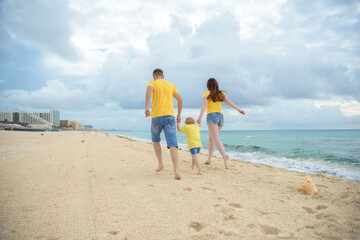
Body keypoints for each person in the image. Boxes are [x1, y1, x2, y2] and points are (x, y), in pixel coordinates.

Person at [197, 78, 245, 169]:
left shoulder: (207, 93)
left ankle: (224, 155)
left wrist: (200, 117)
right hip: (220, 117)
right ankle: (209, 159)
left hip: (212, 116)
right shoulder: (221, 94)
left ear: (208, 85)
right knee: (211, 138)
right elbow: (229, 102)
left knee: (215, 139)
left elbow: (205, 105)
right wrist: (239, 110)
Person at [145, 68, 183, 180]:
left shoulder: (152, 83)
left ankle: (160, 163)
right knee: (172, 143)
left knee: (156, 140)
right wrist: (179, 115)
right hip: (170, 116)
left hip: (156, 117)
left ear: (154, 76)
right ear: (163, 76)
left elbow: (149, 89)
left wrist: (147, 107)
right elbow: (180, 100)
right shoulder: (171, 85)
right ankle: (176, 169)